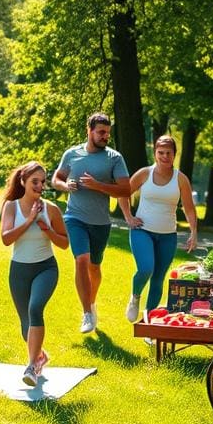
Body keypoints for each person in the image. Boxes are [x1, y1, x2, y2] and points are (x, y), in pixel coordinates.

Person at [52, 112, 130, 333]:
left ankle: (91, 304)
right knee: (82, 261)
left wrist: (98, 186)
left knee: (95, 267)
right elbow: (56, 178)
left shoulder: (114, 158)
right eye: (101, 132)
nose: (106, 136)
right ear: (89, 130)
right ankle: (86, 313)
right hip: (74, 217)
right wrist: (66, 186)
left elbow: (126, 189)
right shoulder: (72, 154)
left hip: (100, 223)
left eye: (107, 132)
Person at [0, 161, 70, 385]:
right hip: (19, 270)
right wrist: (29, 220)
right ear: (23, 182)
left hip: (45, 268)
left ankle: (31, 367)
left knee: (35, 307)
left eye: (42, 181)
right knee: (25, 325)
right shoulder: (11, 207)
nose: (40, 186)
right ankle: (40, 357)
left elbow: (65, 243)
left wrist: (45, 227)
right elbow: (6, 238)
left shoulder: (51, 209)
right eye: (34, 182)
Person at [119, 135, 197, 323]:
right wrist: (128, 217)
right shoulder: (145, 173)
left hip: (168, 235)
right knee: (146, 268)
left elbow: (189, 208)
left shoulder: (181, 179)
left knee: (158, 278)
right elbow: (123, 193)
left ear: (174, 155)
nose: (164, 157)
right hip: (142, 230)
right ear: (155, 153)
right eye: (160, 153)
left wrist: (194, 232)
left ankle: (149, 322)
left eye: (168, 153)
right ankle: (135, 296)